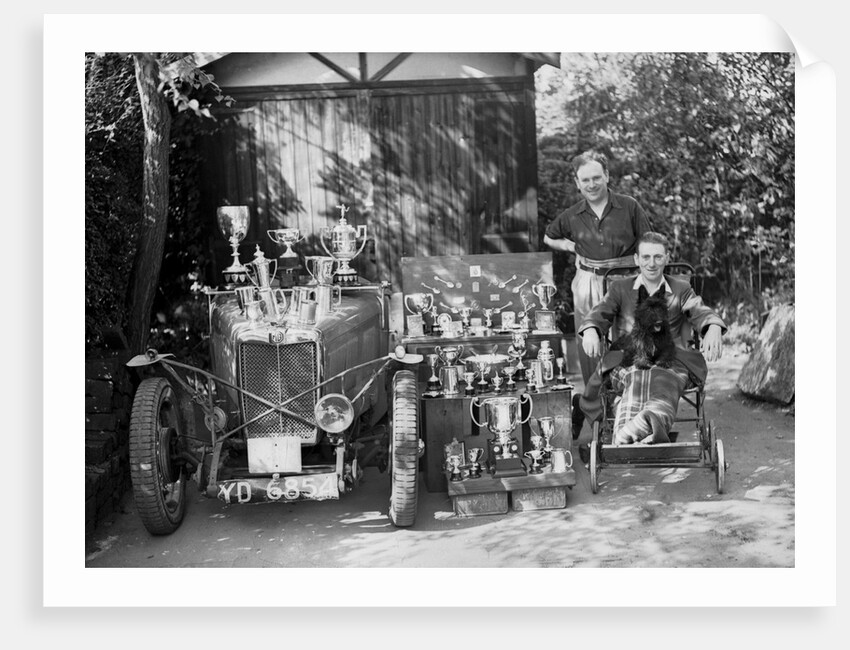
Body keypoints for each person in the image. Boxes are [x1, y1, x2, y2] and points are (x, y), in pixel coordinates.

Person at [576, 231, 727, 441]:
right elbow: (599, 312)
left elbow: (700, 311)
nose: (652, 263)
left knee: (661, 379)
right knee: (637, 377)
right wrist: (591, 329)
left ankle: (637, 429)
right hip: (629, 357)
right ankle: (636, 428)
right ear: (636, 259)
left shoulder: (681, 289)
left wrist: (713, 327)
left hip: (671, 359)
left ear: (667, 258)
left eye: (658, 257)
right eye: (646, 257)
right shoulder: (620, 288)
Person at [543, 149, 652, 436]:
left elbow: (648, 243)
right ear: (577, 183)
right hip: (588, 281)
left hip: (626, 280)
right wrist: (569, 246)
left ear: (607, 176)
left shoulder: (629, 207)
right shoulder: (572, 215)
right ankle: (597, 416)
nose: (591, 184)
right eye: (585, 180)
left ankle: (629, 409)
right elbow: (548, 237)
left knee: (630, 342)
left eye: (596, 177)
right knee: (590, 345)